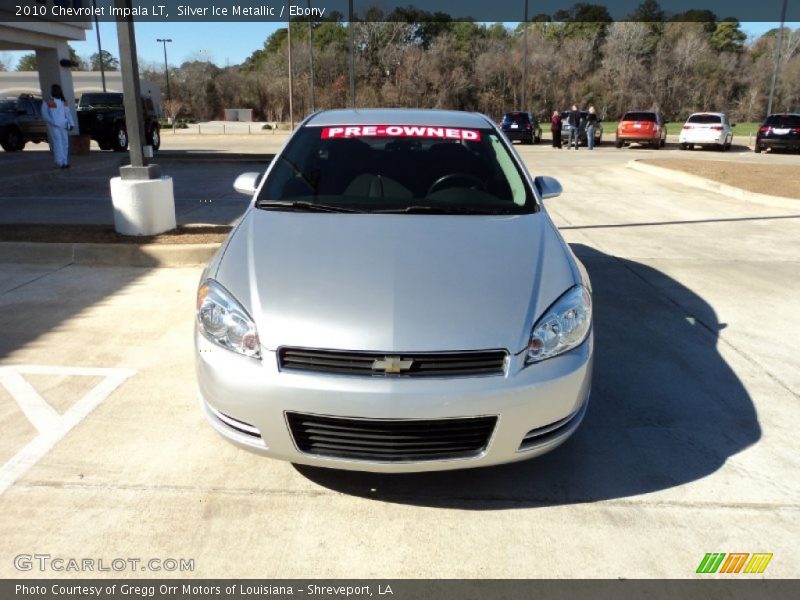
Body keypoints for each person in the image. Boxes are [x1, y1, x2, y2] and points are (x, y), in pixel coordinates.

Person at [41, 84, 75, 169]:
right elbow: (45, 114)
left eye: (58, 89)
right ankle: (60, 162)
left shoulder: (64, 101)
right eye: (55, 90)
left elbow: (68, 113)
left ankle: (65, 162)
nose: (57, 91)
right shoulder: (48, 101)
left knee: (65, 143)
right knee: (58, 143)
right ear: (52, 91)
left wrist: (71, 123)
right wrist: (53, 122)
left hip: (64, 125)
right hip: (54, 126)